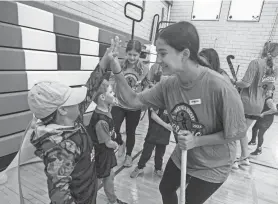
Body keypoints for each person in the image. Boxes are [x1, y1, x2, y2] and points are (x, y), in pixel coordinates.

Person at [107, 22, 247, 204]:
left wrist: (197, 141)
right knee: (166, 188)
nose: (158, 60)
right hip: (184, 155)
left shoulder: (220, 86)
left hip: (213, 165)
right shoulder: (168, 85)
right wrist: (117, 69)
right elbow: (133, 100)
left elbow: (236, 133)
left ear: (185, 54)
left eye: (163, 53)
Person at [26, 47, 113, 204]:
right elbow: (59, 195)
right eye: (73, 99)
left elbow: (90, 88)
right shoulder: (60, 148)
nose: (80, 101)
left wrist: (105, 61)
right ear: (62, 110)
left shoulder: (71, 120)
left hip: (88, 192)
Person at [232, 41, 278, 169]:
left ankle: (234, 159)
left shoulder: (255, 62)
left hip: (246, 102)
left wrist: (234, 82)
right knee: (243, 131)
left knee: (236, 132)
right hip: (259, 105)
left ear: (263, 49)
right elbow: (269, 90)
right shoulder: (274, 69)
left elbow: (245, 83)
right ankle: (245, 157)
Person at [86, 78, 128, 204]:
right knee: (98, 179)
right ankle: (88, 200)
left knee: (109, 177)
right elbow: (108, 143)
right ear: (102, 97)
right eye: (111, 93)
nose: (113, 94)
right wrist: (118, 144)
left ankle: (113, 200)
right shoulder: (101, 120)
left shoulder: (107, 110)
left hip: (106, 153)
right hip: (101, 155)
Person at [110, 40, 149, 167]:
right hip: (119, 103)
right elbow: (113, 80)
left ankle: (128, 155)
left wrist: (144, 102)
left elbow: (146, 87)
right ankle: (120, 143)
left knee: (130, 131)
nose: (132, 58)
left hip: (134, 106)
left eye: (135, 55)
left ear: (139, 55)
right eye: (130, 54)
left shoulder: (144, 69)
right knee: (113, 128)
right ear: (126, 53)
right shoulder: (120, 64)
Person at [130, 66, 172, 178]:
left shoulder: (173, 100)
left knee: (160, 154)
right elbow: (153, 116)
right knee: (147, 152)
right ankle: (140, 167)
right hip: (154, 132)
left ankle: (158, 168)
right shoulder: (155, 99)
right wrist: (166, 125)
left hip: (164, 134)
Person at [248, 86, 277, 155]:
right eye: (265, 90)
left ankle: (259, 150)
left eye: (268, 90)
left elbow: (274, 110)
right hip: (262, 118)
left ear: (272, 92)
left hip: (267, 120)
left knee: (260, 134)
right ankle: (253, 141)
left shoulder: (269, 100)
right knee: (254, 128)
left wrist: (264, 113)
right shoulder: (265, 98)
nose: (266, 92)